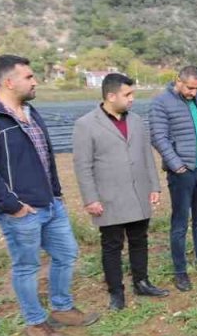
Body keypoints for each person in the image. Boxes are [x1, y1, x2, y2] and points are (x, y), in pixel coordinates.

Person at [0, 55, 97, 336]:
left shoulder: (30, 111)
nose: (35, 81)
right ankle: (35, 322)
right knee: (27, 266)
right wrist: (13, 206)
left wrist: (56, 194)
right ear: (8, 82)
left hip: (50, 203)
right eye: (29, 77)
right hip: (22, 210)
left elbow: (44, 158)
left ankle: (61, 308)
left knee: (67, 254)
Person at [72, 73, 170, 311]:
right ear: (110, 95)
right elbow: (82, 166)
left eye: (132, 94)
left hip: (138, 193)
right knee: (112, 245)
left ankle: (142, 282)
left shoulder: (136, 121)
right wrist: (90, 199)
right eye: (127, 94)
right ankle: (116, 292)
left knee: (139, 240)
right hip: (109, 198)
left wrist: (154, 186)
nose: (132, 99)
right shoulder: (86, 124)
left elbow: (146, 156)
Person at [149, 65, 197, 292]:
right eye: (189, 88)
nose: (193, 93)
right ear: (178, 81)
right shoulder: (161, 103)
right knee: (180, 223)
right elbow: (159, 137)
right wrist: (177, 165)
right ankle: (180, 272)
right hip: (183, 172)